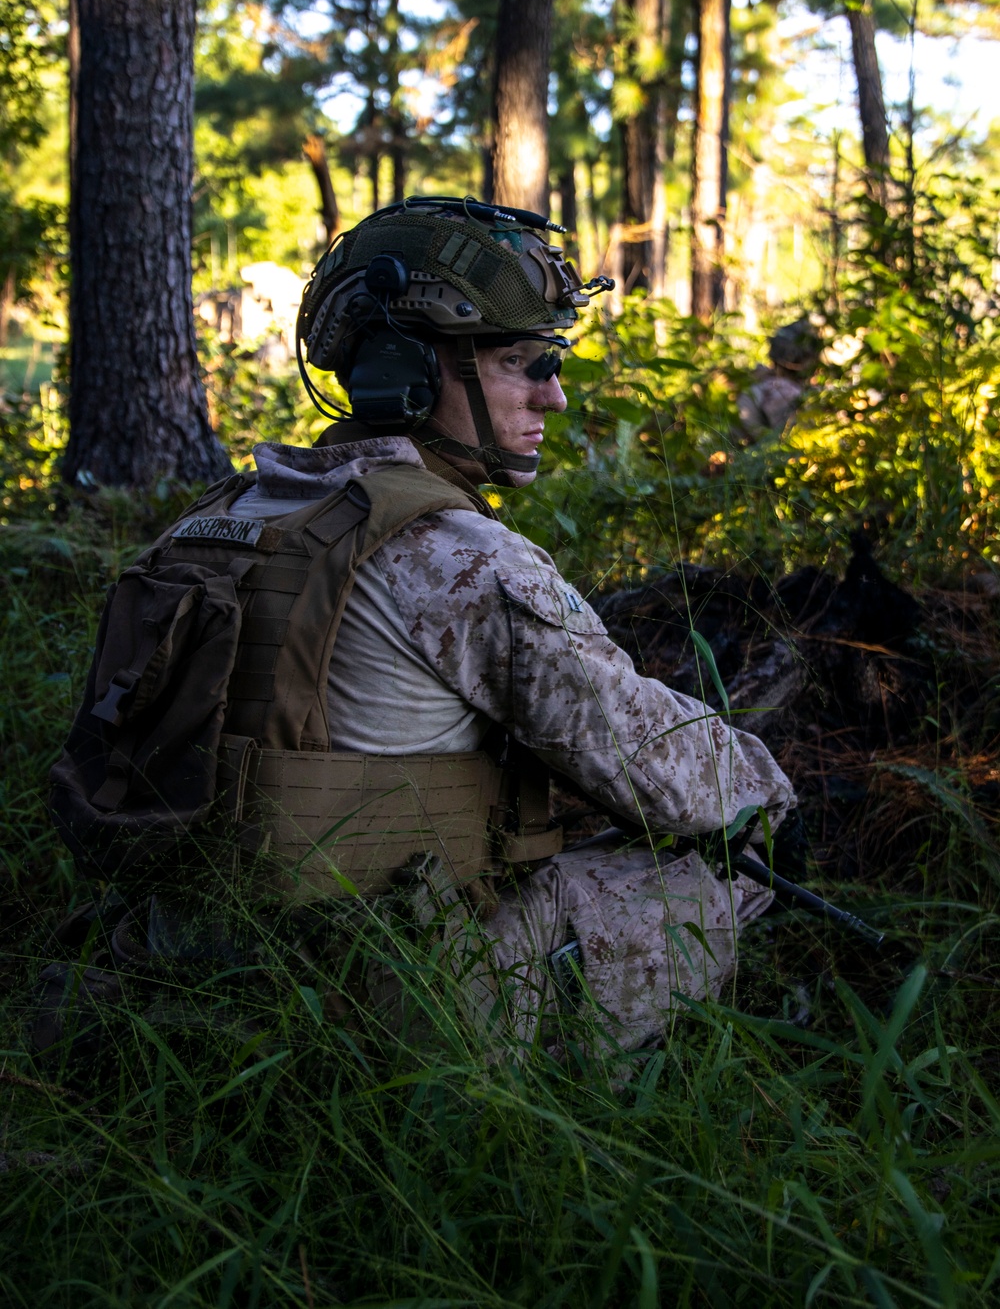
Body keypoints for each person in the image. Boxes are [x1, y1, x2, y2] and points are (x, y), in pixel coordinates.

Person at [48, 196, 795, 1057]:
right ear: (405, 370)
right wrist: (768, 789)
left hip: (183, 960)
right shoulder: (459, 557)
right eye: (524, 362)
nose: (553, 396)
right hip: (373, 1002)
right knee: (731, 871)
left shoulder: (216, 516)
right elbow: (661, 771)